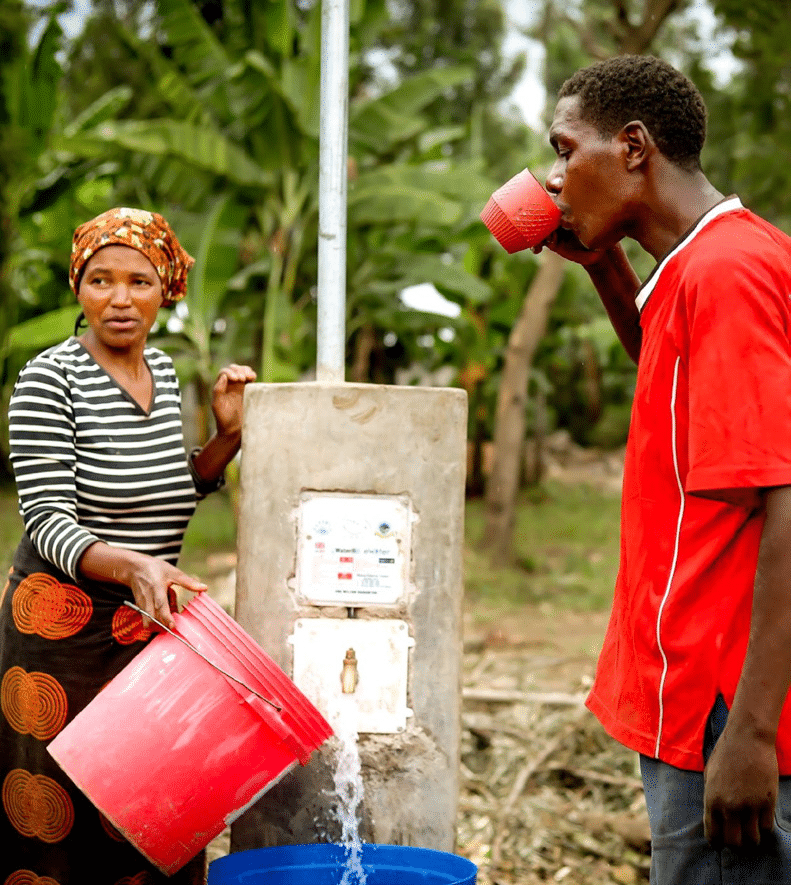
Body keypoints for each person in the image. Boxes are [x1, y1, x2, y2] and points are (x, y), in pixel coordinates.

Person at [536, 55, 791, 882]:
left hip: (725, 700)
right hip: (693, 689)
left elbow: (785, 496)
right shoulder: (693, 265)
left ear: (634, 147)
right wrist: (605, 268)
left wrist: (751, 732)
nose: (551, 178)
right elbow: (679, 385)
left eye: (564, 150)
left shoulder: (727, 273)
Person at [0, 207, 257, 884]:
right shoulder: (48, 381)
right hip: (62, 636)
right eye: (100, 279)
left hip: (145, 624)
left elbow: (169, 492)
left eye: (139, 281)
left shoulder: (164, 375)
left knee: (154, 808)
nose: (119, 298)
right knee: (64, 821)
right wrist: (139, 565)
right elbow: (49, 522)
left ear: (165, 290)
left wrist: (224, 437)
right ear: (77, 287)